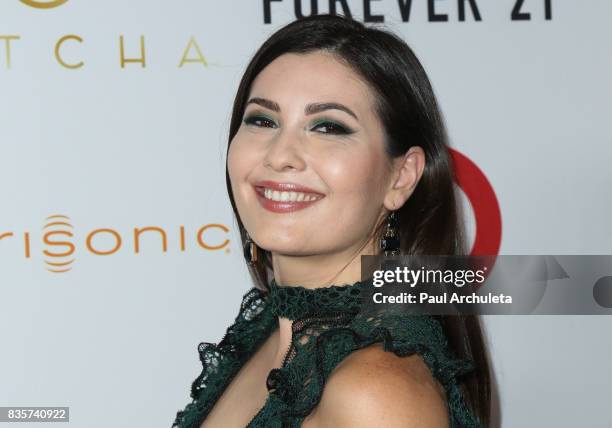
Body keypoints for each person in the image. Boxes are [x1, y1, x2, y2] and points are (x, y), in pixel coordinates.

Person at [172, 13, 492, 428]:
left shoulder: (375, 391)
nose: (280, 155)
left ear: (402, 176)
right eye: (262, 120)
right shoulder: (273, 329)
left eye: (328, 127)